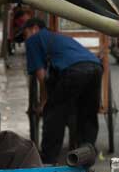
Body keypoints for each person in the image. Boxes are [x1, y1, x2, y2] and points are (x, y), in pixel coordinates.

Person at [20, 17, 102, 164]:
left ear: (34, 28)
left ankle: (49, 159)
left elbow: (42, 76)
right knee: (87, 114)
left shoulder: (33, 40)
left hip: (74, 71)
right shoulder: (58, 37)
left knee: (54, 112)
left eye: (25, 34)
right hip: (95, 67)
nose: (25, 39)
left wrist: (44, 102)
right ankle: (86, 154)